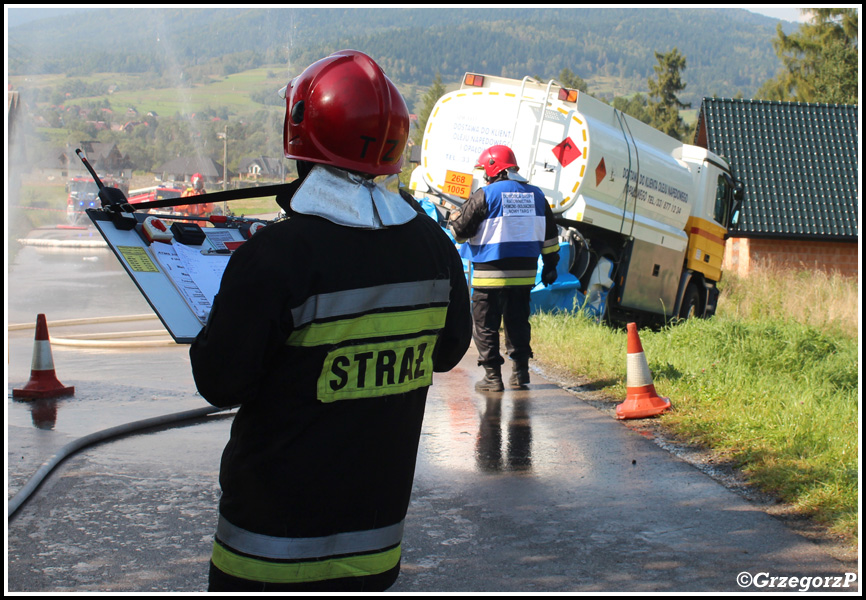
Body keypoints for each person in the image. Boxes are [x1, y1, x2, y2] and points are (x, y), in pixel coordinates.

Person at [189, 50, 471, 592]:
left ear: (301, 135)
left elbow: (218, 382)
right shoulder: (434, 250)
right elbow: (448, 351)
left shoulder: (276, 257)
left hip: (266, 551)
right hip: (374, 548)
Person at [448, 145, 559, 392]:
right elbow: (550, 237)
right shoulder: (537, 196)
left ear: (491, 167)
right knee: (518, 321)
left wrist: (453, 216)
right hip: (524, 275)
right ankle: (520, 374)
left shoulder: (485, 194)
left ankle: (492, 377)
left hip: (490, 274)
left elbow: (459, 232)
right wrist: (551, 266)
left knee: (485, 323)